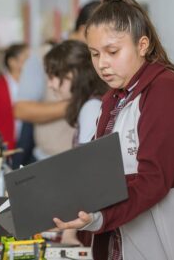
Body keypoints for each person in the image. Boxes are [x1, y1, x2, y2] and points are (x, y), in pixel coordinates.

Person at [53, 0, 174, 259]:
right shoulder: (113, 98)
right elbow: (99, 175)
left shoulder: (166, 91)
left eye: (112, 52)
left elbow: (154, 181)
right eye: (95, 54)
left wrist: (98, 217)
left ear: (142, 45)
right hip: (119, 243)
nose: (102, 63)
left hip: (163, 244)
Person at [14, 1, 100, 160]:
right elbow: (21, 109)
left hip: (86, 159)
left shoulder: (100, 59)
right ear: (83, 30)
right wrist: (77, 103)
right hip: (49, 159)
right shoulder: (42, 57)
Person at [44, 40, 108, 246]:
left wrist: (70, 233)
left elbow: (85, 175)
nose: (50, 84)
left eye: (54, 75)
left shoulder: (90, 108)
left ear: (73, 74)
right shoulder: (92, 105)